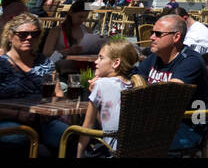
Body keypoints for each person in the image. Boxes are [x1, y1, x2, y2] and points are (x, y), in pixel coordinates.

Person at [135, 13, 208, 153]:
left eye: (158, 34)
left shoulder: (191, 61)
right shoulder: (155, 57)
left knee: (136, 143)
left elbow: (170, 93)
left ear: (176, 37)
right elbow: (134, 80)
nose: (151, 37)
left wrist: (141, 88)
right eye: (153, 33)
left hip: (188, 126)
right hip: (159, 122)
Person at [0, 12, 71, 155]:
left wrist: (51, 109)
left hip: (43, 120)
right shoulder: (2, 64)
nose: (29, 38)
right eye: (23, 34)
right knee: (19, 140)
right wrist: (18, 115)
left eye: (35, 34)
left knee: (69, 136)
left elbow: (58, 93)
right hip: (9, 118)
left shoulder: (44, 62)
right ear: (10, 36)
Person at [76, 37, 146, 157]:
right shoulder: (135, 84)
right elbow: (107, 120)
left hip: (111, 151)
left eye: (101, 58)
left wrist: (78, 155)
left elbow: (87, 127)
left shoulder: (101, 84)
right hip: (132, 151)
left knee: (69, 136)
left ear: (116, 63)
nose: (96, 61)